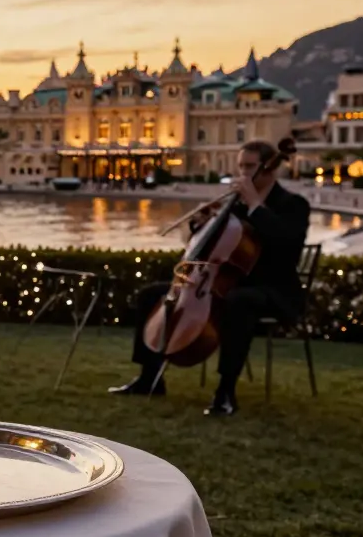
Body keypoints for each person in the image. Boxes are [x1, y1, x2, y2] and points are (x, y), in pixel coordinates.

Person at [109, 140, 310, 416]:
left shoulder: (293, 205)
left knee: (239, 303)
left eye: (250, 166)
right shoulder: (235, 206)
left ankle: (225, 391)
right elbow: (208, 253)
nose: (243, 172)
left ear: (269, 169)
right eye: (240, 166)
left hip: (272, 289)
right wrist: (201, 225)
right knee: (151, 295)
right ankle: (148, 378)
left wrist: (254, 205)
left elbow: (287, 246)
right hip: (224, 284)